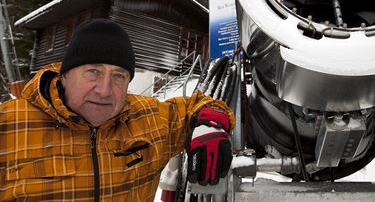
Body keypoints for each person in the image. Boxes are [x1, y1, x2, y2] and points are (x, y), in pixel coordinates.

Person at [0, 18, 235, 201]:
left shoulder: (147, 118)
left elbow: (203, 103)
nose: (104, 90)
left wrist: (210, 124)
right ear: (63, 76)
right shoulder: (9, 126)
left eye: (118, 76)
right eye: (93, 71)